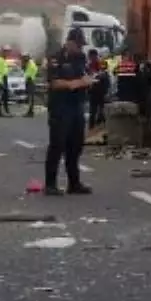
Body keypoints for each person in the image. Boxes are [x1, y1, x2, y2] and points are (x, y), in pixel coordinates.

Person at [44, 27, 96, 195]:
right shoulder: (56, 58)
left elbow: (85, 75)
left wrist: (90, 81)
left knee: (75, 146)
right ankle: (50, 184)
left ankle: (74, 183)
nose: (80, 49)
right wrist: (74, 84)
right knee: (57, 145)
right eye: (78, 45)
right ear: (69, 42)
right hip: (60, 107)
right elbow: (54, 83)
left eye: (82, 46)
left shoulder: (81, 58)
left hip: (77, 106)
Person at [87, 48, 110, 128]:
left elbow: (106, 77)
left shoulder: (102, 64)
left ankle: (101, 129)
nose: (91, 58)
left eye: (92, 56)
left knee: (101, 112)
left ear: (95, 56)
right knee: (92, 113)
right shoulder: (88, 66)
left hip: (101, 92)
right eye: (90, 57)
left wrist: (106, 91)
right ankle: (92, 128)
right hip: (93, 92)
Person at [0, 47, 12, 117]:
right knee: (2, 96)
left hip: (4, 78)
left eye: (8, 52)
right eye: (6, 51)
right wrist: (0, 82)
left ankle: (3, 111)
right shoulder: (0, 60)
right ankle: (1, 111)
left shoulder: (3, 60)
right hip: (2, 79)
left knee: (5, 96)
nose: (8, 53)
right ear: (3, 52)